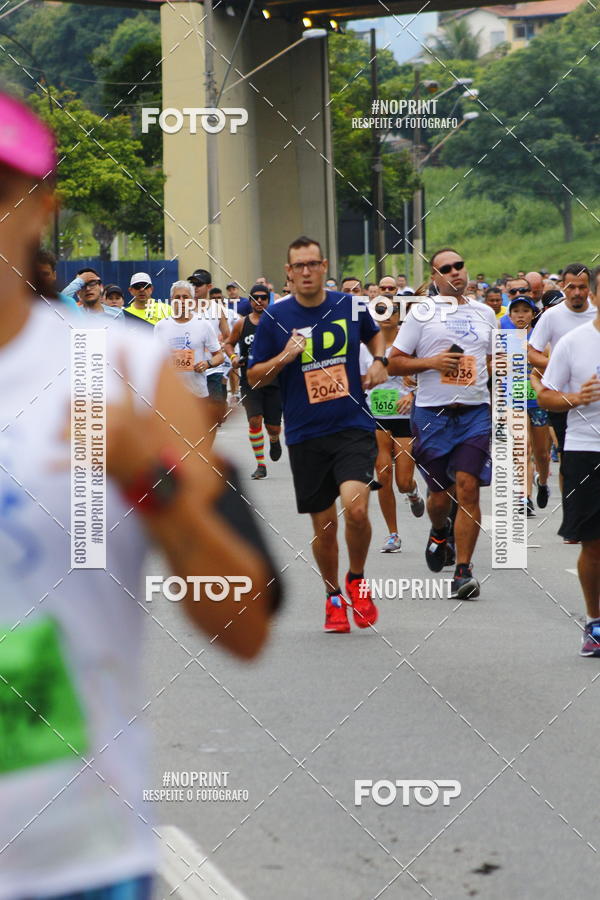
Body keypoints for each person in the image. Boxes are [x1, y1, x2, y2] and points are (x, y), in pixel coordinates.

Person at [0, 91, 278, 900]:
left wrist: (147, 479)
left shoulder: (123, 365)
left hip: (79, 864)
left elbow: (244, 622)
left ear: (40, 208)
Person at [248, 235, 388, 633]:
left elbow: (373, 332)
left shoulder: (348, 305)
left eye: (313, 264)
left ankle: (357, 580)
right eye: (299, 266)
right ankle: (332, 596)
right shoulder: (276, 318)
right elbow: (254, 377)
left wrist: (379, 360)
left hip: (351, 425)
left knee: (356, 507)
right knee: (324, 527)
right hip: (306, 433)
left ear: (324, 266)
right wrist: (285, 356)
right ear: (289, 273)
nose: (307, 271)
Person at [389, 247, 496, 599]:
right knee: (439, 496)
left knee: (467, 487)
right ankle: (439, 531)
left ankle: (463, 572)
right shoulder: (422, 313)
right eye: (445, 268)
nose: (455, 272)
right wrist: (432, 363)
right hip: (433, 413)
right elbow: (395, 363)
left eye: (459, 266)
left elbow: (496, 364)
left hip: (474, 412)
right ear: (434, 277)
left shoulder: (484, 313)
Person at [537, 279, 600, 655]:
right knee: (593, 543)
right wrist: (576, 398)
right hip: (586, 450)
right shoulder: (573, 342)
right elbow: (545, 393)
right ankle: (594, 622)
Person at [360, 299, 424, 552]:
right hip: (375, 415)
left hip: (405, 418)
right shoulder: (366, 347)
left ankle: (412, 492)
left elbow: (426, 377)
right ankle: (393, 534)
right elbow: (358, 378)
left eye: (391, 311)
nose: (386, 316)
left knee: (403, 480)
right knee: (383, 473)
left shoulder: (409, 344)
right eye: (380, 311)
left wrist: (412, 394)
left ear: (400, 315)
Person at [528, 263, 596, 471]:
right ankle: (570, 500)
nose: (576, 293)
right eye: (571, 287)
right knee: (568, 460)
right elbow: (531, 352)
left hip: (594, 399)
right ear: (563, 287)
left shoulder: (596, 313)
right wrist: (560, 364)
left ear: (590, 288)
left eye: (582, 287)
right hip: (562, 399)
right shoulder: (551, 316)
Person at [154, 280, 224, 444]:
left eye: (185, 297)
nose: (181, 301)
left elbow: (219, 355)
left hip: (198, 391)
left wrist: (207, 364)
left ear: (192, 301)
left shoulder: (203, 325)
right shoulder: (161, 326)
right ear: (171, 300)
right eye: (177, 297)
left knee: (202, 435)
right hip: (172, 394)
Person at [224, 285, 283, 479]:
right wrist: (233, 358)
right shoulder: (242, 324)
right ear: (249, 301)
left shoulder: (276, 322)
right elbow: (229, 344)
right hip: (250, 380)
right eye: (255, 298)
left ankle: (274, 440)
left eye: (263, 298)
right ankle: (260, 464)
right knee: (254, 420)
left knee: (273, 427)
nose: (259, 301)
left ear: (269, 300)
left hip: (274, 380)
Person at [505, 296, 551, 515]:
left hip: (539, 401)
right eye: (516, 311)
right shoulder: (503, 339)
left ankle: (542, 482)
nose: (520, 315)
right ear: (510, 315)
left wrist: (537, 373)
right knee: (523, 447)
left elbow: (552, 363)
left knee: (542, 454)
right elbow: (491, 367)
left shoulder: (541, 339)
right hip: (514, 401)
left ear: (533, 315)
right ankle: (525, 497)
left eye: (525, 311)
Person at [189, 269, 231, 419]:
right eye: (192, 284)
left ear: (209, 286)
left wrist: (219, 349)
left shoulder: (217, 308)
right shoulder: (185, 309)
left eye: (198, 284)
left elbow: (228, 337)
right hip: (191, 370)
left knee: (214, 416)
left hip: (213, 369)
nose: (194, 287)